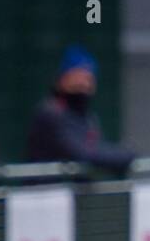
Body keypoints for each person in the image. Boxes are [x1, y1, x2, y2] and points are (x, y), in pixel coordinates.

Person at [26, 44, 134, 173]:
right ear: (62, 79)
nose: (83, 84)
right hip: (44, 190)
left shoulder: (88, 117)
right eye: (77, 78)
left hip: (74, 190)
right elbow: (82, 153)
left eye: (88, 79)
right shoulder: (50, 113)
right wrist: (126, 155)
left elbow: (97, 147)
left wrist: (124, 153)